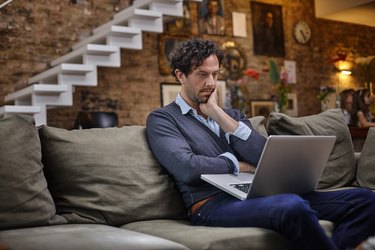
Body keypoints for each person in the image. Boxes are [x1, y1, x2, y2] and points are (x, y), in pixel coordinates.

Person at [146, 37, 375, 250]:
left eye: (215, 74)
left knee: (366, 200)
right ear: (180, 75)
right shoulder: (163, 119)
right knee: (292, 205)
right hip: (210, 204)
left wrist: (217, 113)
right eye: (202, 75)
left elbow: (263, 156)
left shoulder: (231, 115)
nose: (211, 83)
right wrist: (238, 165)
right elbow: (188, 168)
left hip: (258, 193)